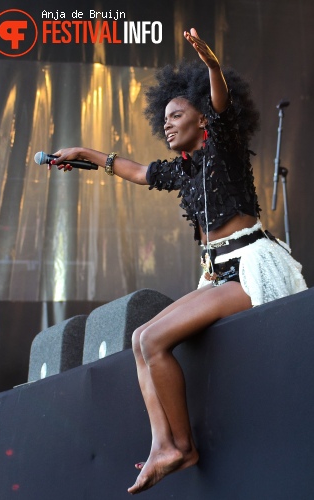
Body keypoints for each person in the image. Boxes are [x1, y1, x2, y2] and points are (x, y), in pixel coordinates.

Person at [50, 28, 307, 494]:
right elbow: (134, 170)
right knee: (139, 338)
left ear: (202, 119)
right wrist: (85, 155)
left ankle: (178, 446)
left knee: (153, 339)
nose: (166, 125)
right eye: (163, 118)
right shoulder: (181, 168)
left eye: (176, 115)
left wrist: (211, 66)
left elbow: (220, 101)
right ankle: (164, 445)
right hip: (217, 273)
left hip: (250, 264)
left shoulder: (223, 146)